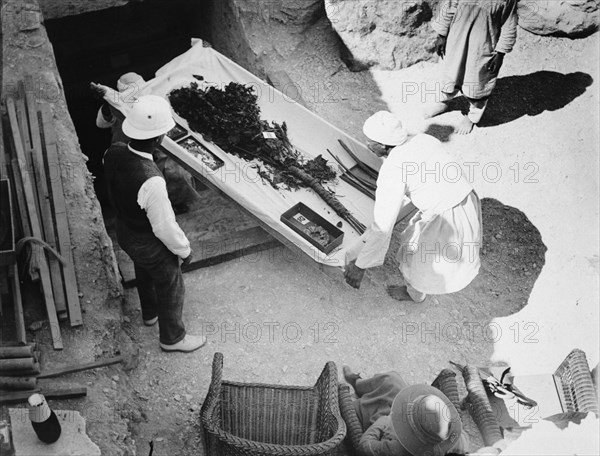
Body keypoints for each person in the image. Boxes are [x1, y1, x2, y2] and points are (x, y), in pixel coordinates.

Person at [103, 94, 205, 353]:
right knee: (170, 279)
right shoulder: (152, 180)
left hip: (125, 231)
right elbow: (164, 227)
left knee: (143, 268)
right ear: (159, 139)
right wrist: (185, 251)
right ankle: (172, 338)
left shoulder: (112, 152)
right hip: (147, 240)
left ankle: (149, 313)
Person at [344, 111, 482, 303]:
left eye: (370, 142)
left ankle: (415, 294)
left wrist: (360, 265)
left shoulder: (393, 170)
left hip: (445, 216)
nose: (367, 145)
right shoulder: (423, 139)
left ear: (383, 146)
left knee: (420, 259)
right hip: (466, 198)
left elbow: (382, 226)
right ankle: (417, 290)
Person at [92, 74, 199, 214]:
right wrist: (108, 105)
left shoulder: (154, 99)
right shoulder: (117, 104)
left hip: (157, 146)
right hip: (130, 149)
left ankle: (178, 203)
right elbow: (101, 123)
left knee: (174, 172)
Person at [425, 0, 518, 134]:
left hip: (483, 47)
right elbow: (449, 6)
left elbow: (509, 24)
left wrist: (500, 53)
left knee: (478, 80)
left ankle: (472, 117)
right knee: (451, 73)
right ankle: (443, 102)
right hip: (457, 39)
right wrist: (442, 35)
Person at [342, 366, 469, 456]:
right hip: (405, 424)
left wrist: (382, 421)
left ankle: (358, 388)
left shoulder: (397, 449)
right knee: (392, 380)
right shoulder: (454, 438)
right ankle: (357, 383)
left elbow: (364, 447)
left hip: (385, 428)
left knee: (364, 406)